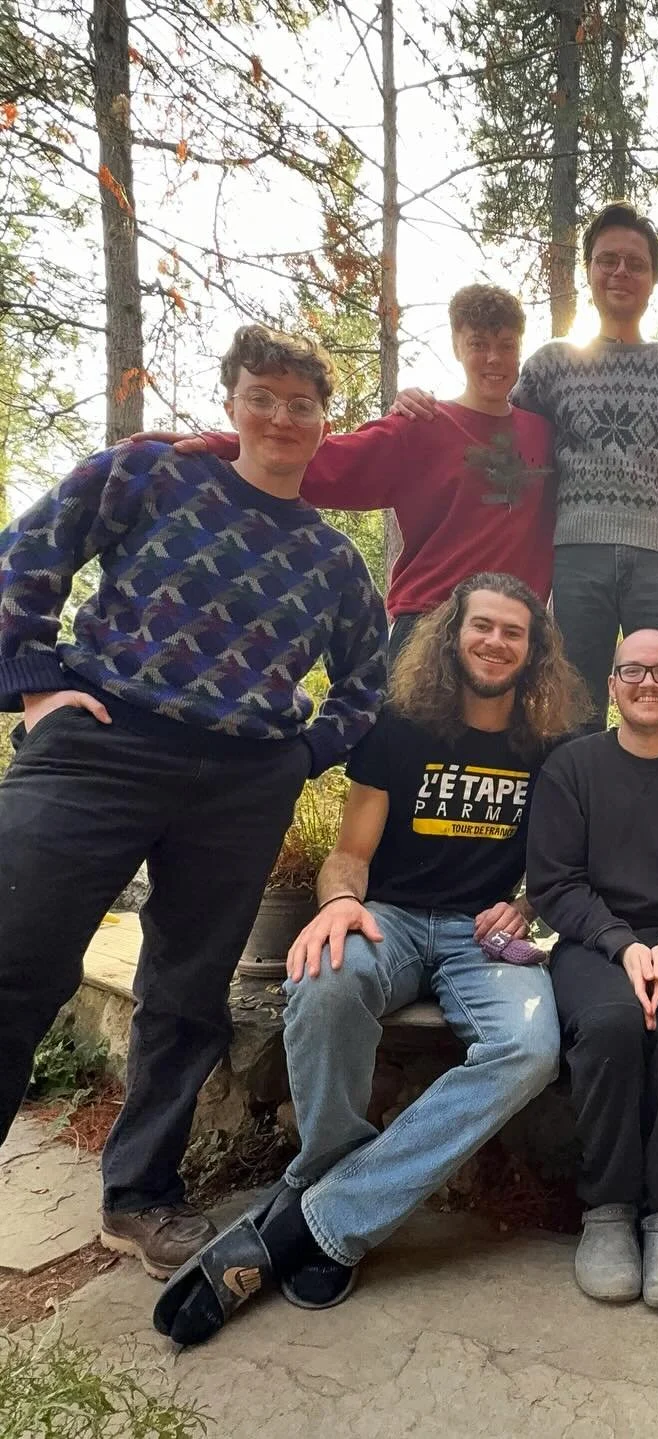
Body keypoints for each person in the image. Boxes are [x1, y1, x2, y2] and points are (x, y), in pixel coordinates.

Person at [0, 324, 387, 1279]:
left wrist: (300, 755)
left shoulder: (336, 563)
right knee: (15, 954)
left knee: (186, 990)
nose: (283, 416)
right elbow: (27, 554)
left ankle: (140, 1196)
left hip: (240, 781)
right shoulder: (147, 474)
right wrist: (35, 683)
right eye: (265, 394)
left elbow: (368, 683)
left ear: (323, 421)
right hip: (101, 743)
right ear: (233, 400)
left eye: (304, 403)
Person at [152, 572, 589, 1346]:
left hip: (482, 937)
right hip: (387, 918)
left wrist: (526, 908)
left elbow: (560, 868)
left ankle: (316, 1218)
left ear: (535, 648)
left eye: (513, 631)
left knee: (530, 1048)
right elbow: (350, 853)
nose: (494, 641)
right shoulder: (399, 725)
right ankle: (336, 1195)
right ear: (453, 633)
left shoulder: (549, 743)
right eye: (481, 625)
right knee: (321, 980)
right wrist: (337, 906)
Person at [398, 203, 658, 731]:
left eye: (635, 263)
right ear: (589, 271)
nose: (620, 272)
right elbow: (496, 425)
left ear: (654, 278)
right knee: (572, 707)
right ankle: (575, 807)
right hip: (575, 560)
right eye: (607, 260)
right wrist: (424, 406)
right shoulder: (552, 366)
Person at [137, 284, 553, 665]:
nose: (494, 358)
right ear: (457, 347)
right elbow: (318, 459)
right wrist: (224, 444)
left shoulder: (545, 433)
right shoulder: (423, 426)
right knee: (406, 749)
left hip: (514, 635)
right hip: (431, 626)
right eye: (478, 344)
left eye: (506, 345)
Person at [526, 629, 658, 1310]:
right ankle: (608, 1207)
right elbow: (555, 882)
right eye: (633, 671)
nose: (649, 683)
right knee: (611, 1022)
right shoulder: (572, 767)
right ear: (612, 684)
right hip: (593, 940)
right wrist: (620, 944)